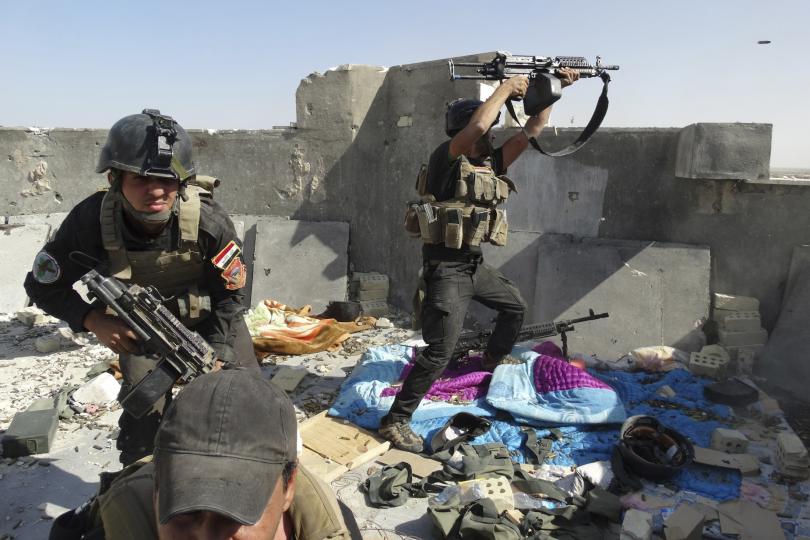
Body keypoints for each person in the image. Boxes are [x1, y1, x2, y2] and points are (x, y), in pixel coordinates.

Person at [24, 109, 258, 465]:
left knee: (246, 411)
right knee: (142, 434)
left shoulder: (209, 221)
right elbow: (42, 285)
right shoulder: (91, 222)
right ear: (115, 178)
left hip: (212, 325)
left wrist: (217, 354)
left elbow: (231, 296)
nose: (157, 190)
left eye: (168, 180)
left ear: (183, 182)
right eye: (141, 179)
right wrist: (92, 320)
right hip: (143, 334)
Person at [380, 70, 580, 452]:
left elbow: (533, 130)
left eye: (490, 135)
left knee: (515, 307)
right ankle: (396, 419)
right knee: (439, 352)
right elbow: (475, 127)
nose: (490, 137)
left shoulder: (489, 165)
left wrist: (553, 89)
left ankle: (491, 360)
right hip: (446, 273)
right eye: (487, 133)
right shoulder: (446, 160)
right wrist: (506, 88)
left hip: (473, 266)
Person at [50, 369, 353, 540]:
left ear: (289, 488)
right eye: (185, 513)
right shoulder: (117, 528)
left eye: (233, 516)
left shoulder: (331, 525)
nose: (205, 538)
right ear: (157, 493)